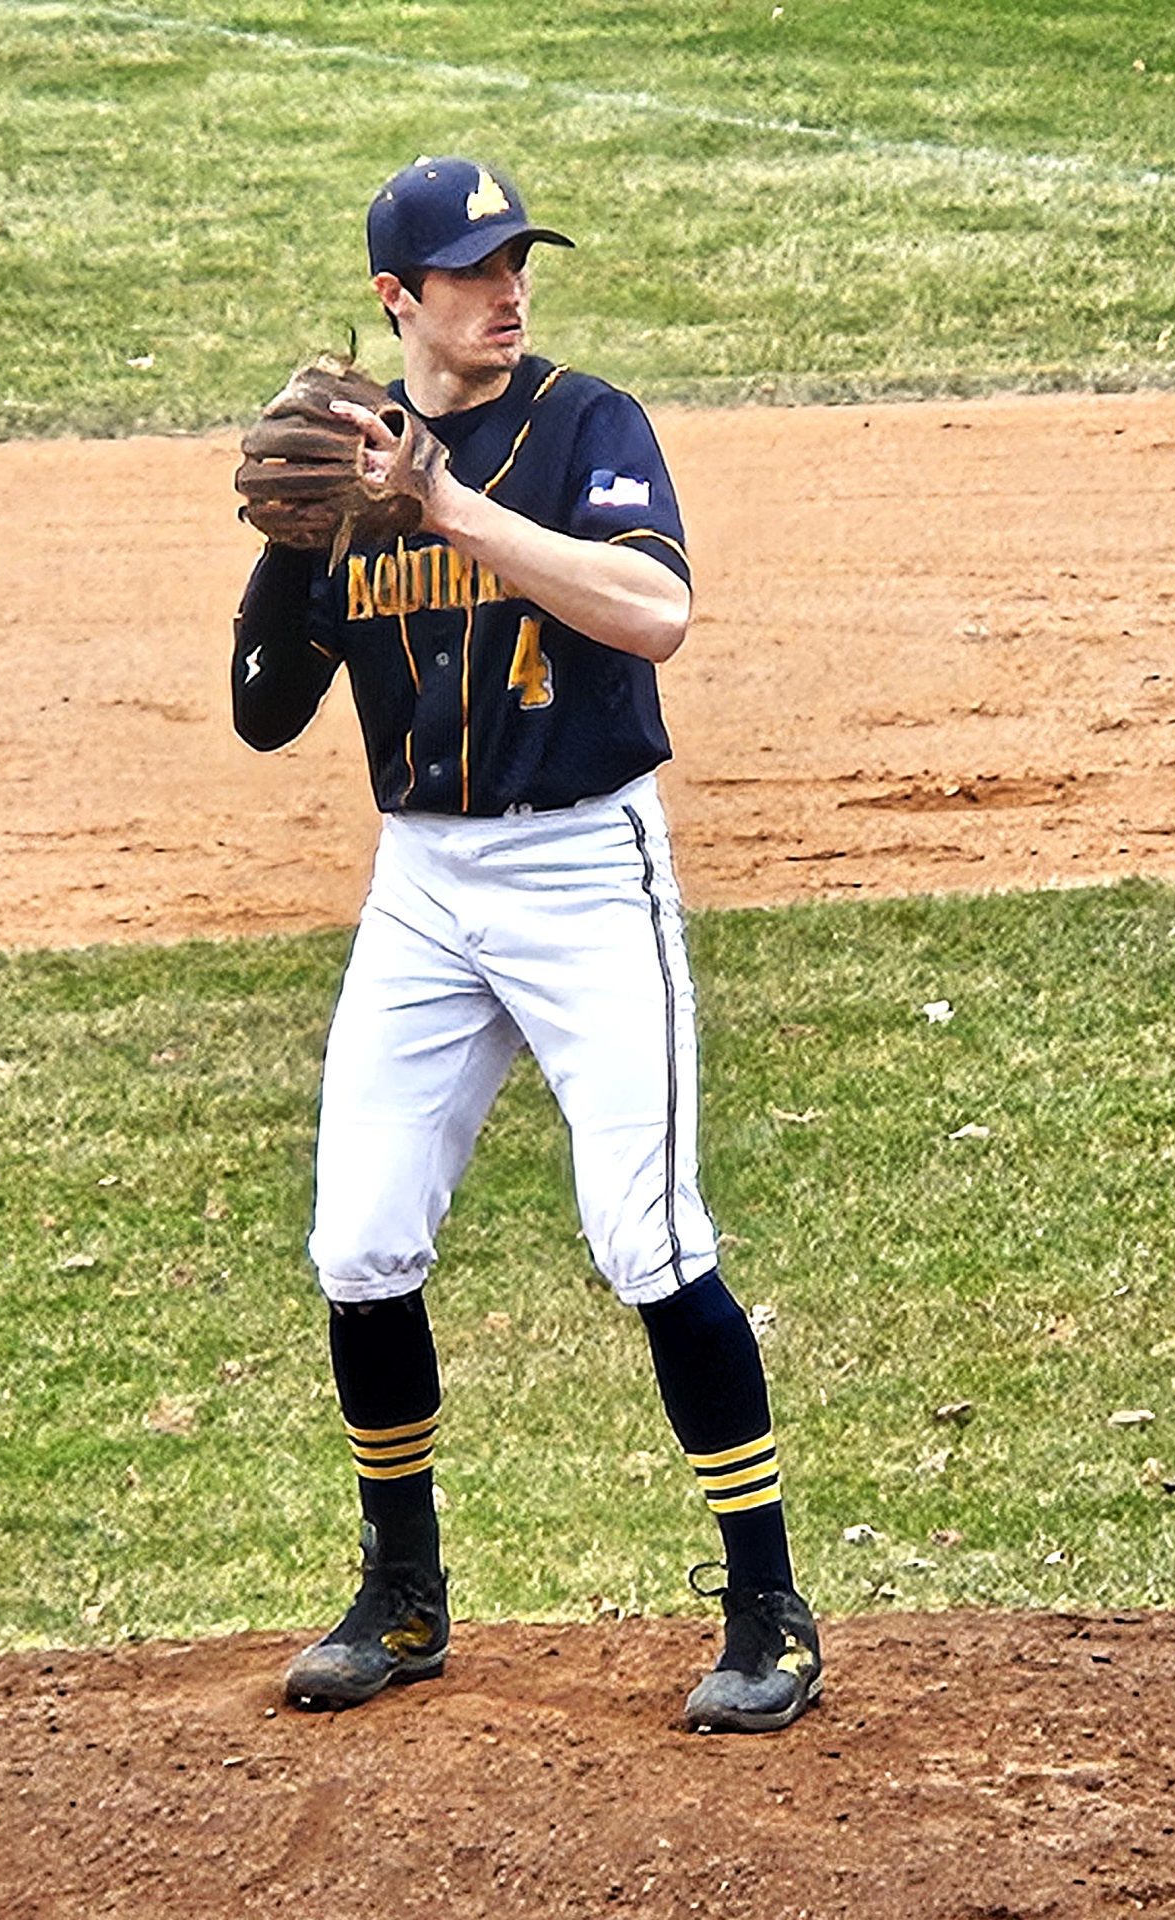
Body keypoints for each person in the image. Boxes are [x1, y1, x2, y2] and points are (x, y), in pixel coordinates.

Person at [228, 156, 820, 1734]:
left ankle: (767, 1607)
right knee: (359, 1244)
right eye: (474, 269)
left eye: (518, 261)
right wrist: (299, 544)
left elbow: (652, 613)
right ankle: (403, 1595)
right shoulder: (346, 466)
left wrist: (445, 505)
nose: (508, 289)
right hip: (423, 882)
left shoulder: (585, 427)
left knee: (650, 1237)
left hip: (583, 871)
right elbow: (264, 714)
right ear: (395, 300)